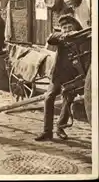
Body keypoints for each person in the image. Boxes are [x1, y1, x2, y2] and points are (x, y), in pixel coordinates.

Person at [35, 12, 83, 142]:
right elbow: (51, 39)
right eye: (65, 27)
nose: (67, 30)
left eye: (69, 27)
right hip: (58, 75)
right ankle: (47, 131)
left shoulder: (80, 38)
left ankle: (60, 128)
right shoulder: (60, 37)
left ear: (74, 28)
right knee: (49, 98)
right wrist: (63, 35)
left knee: (68, 101)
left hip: (73, 76)